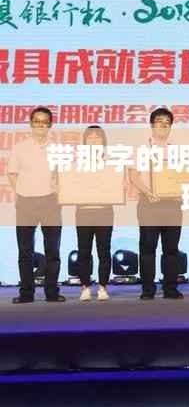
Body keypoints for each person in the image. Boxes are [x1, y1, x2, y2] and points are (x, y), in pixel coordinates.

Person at [7, 107, 64, 303]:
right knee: (25, 251)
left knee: (53, 250)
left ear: (50, 125)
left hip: (50, 202)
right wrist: (20, 192)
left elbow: (63, 175)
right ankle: (26, 293)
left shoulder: (57, 148)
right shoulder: (20, 147)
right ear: (31, 124)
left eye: (44, 122)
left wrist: (59, 195)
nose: (40, 125)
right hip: (26, 202)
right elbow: (12, 173)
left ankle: (52, 292)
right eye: (37, 121)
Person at [129, 108, 184, 299]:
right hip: (149, 203)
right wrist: (148, 192)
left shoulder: (177, 150)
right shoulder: (141, 149)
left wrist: (182, 191)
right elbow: (134, 176)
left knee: (171, 249)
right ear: (152, 125)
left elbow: (183, 176)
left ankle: (170, 288)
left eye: (167, 123)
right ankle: (147, 289)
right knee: (147, 248)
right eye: (159, 121)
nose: (163, 126)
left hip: (172, 205)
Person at [76, 126, 114, 302]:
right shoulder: (76, 164)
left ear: (103, 141)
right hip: (83, 210)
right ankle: (85, 287)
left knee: (104, 251)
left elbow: (116, 186)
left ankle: (103, 287)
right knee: (84, 251)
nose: (93, 140)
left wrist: (120, 187)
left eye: (97, 137)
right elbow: (70, 185)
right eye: (90, 137)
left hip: (104, 211)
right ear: (84, 141)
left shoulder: (110, 163)